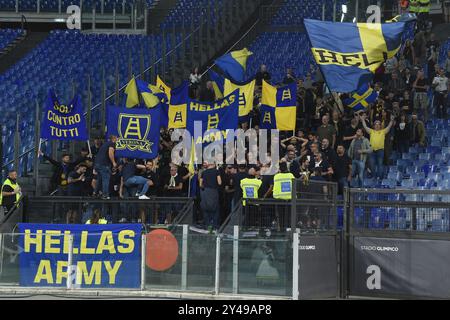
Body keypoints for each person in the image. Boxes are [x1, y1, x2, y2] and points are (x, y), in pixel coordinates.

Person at [360, 113, 395, 181]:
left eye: (378, 124)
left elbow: (389, 126)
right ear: (374, 126)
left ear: (380, 126)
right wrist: (363, 120)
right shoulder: (371, 131)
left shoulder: (383, 131)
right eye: (376, 124)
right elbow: (365, 126)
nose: (377, 125)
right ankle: (374, 177)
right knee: (372, 165)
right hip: (372, 150)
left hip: (380, 151)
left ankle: (379, 178)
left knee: (380, 164)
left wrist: (391, 120)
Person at [93, 135, 118, 199]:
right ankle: (105, 195)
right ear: (114, 138)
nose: (118, 140)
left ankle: (95, 193)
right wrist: (113, 162)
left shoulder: (104, 144)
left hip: (97, 164)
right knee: (106, 179)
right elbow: (110, 152)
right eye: (117, 138)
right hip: (104, 164)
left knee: (100, 179)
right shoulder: (112, 144)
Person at [199, 162, 222, 231]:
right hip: (213, 192)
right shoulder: (217, 172)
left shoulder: (204, 172)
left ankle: (207, 226)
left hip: (205, 192)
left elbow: (200, 184)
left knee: (205, 208)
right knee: (215, 208)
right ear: (214, 164)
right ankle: (215, 226)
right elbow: (219, 182)